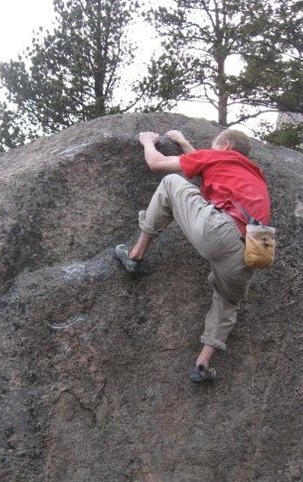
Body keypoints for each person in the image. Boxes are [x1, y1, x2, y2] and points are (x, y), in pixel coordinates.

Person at [114, 128, 271, 382]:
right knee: (228, 302)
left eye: (214, 145)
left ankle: (135, 255)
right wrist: (183, 141)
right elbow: (203, 161)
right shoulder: (254, 175)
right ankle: (202, 365)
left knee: (170, 182)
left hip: (218, 231)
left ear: (227, 146)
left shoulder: (221, 157)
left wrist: (147, 142)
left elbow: (156, 164)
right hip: (252, 249)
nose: (209, 149)